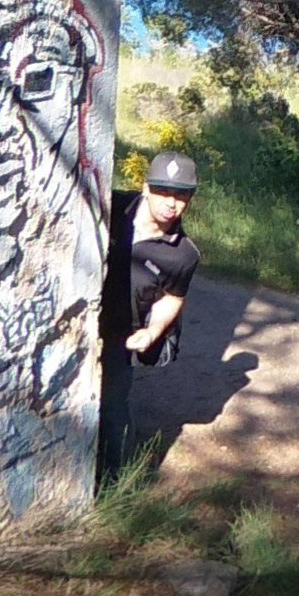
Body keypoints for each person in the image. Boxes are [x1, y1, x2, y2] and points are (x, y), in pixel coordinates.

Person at [100, 152, 203, 481]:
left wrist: (153, 331)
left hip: (121, 336)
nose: (171, 203)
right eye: (163, 191)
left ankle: (114, 480)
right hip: (77, 324)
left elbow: (174, 296)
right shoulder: (111, 207)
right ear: (145, 188)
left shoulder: (183, 255)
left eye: (181, 195)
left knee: (112, 408)